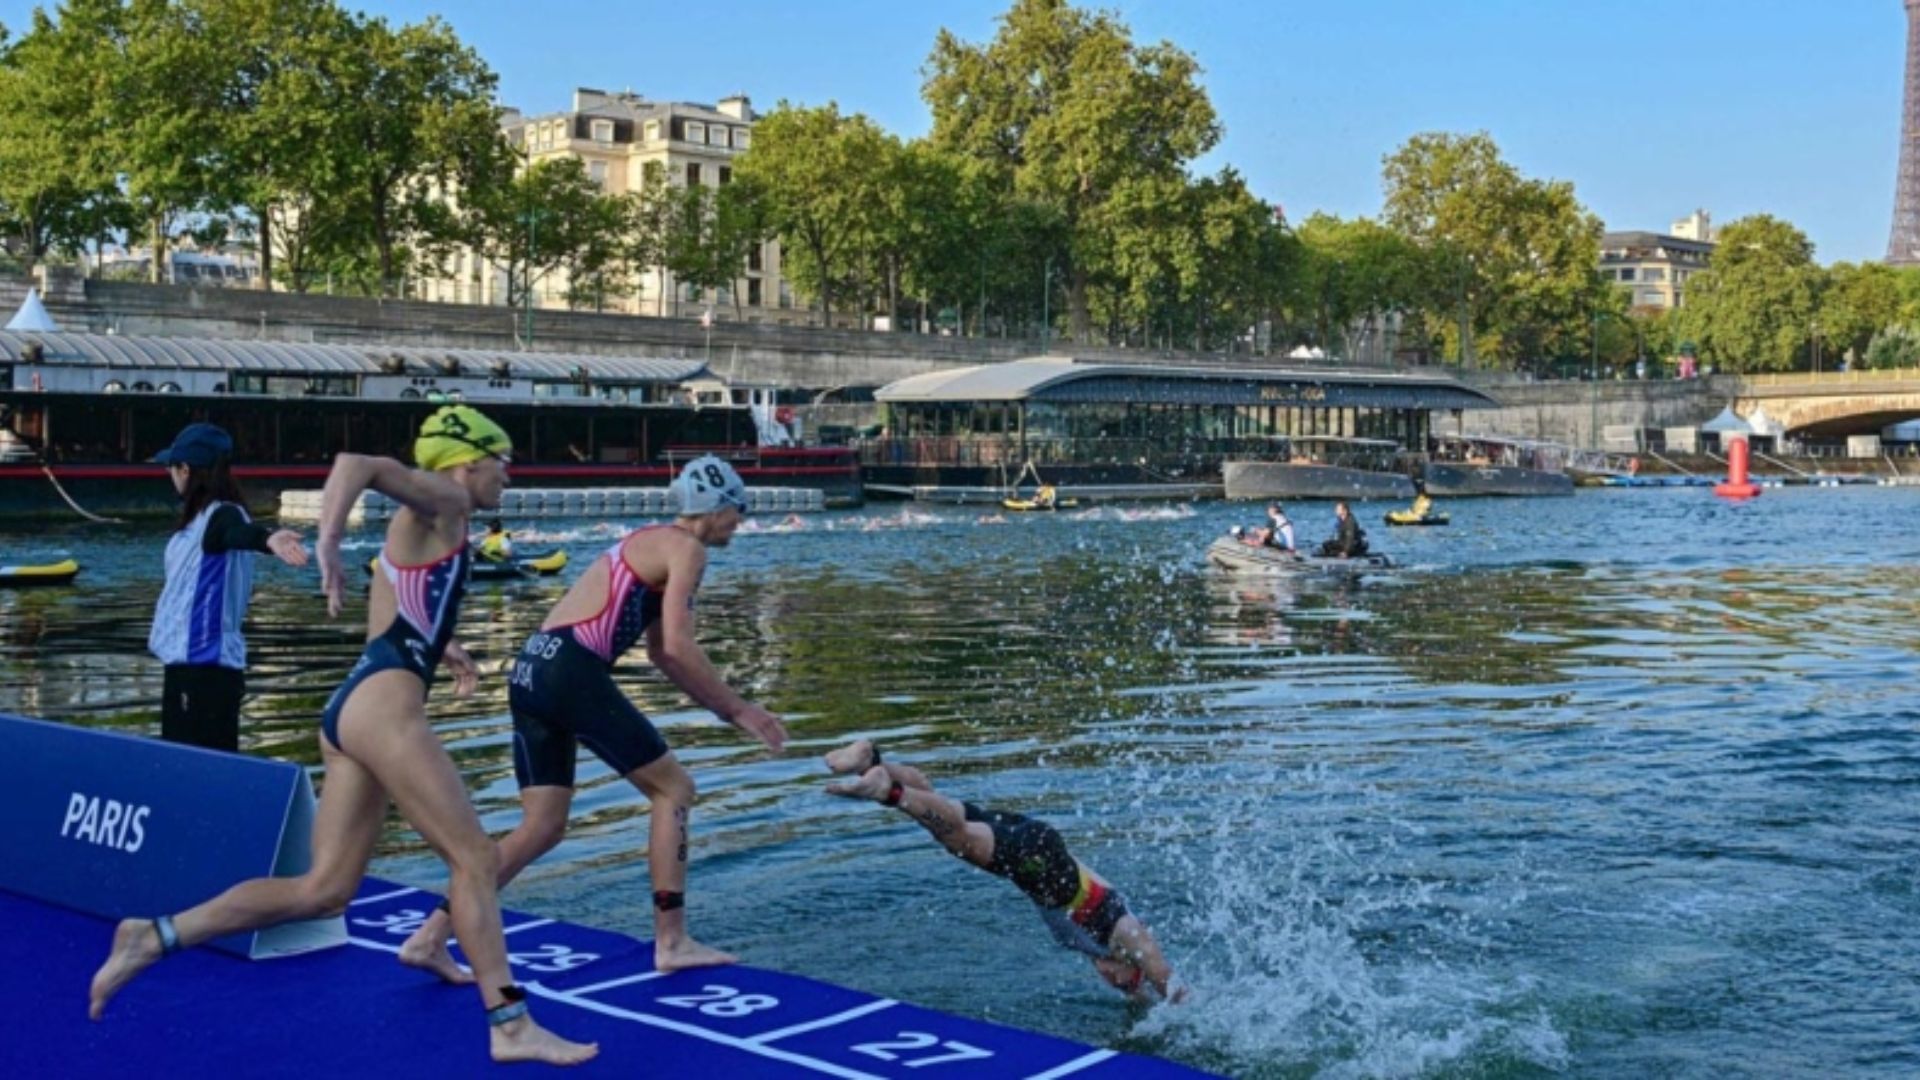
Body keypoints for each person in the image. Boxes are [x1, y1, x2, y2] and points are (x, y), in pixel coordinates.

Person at [89, 406, 598, 1067]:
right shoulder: (443, 495)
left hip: (353, 706)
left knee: (323, 890)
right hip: (385, 711)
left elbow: (397, 612)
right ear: (468, 461)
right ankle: (509, 1023)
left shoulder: (426, 523)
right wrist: (327, 540)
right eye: (504, 461)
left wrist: (446, 649)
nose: (509, 475)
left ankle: (154, 936)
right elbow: (358, 465)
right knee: (474, 859)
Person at [397, 455, 786, 979]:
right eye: (737, 511)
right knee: (674, 790)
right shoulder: (687, 549)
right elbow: (678, 643)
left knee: (542, 827)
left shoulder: (649, 541)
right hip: (570, 672)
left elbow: (661, 655)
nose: (739, 522)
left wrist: (723, 709)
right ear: (716, 509)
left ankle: (429, 938)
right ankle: (671, 941)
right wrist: (739, 708)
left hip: (531, 668)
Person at [824, 739, 1178, 1001]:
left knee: (944, 809)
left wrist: (1139, 999)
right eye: (1126, 982)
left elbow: (1143, 1004)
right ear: (1133, 966)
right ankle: (889, 790)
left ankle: (870, 761)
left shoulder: (1101, 949)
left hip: (1033, 846)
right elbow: (1170, 986)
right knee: (959, 840)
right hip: (1040, 858)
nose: (1113, 983)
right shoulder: (1127, 935)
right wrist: (1177, 1001)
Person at [148, 422, 309, 752]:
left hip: (204, 668)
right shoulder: (198, 520)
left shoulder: (221, 515)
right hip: (185, 665)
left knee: (197, 768)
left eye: (171, 467)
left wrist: (268, 539)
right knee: (186, 765)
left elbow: (237, 533)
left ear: (186, 469)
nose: (169, 474)